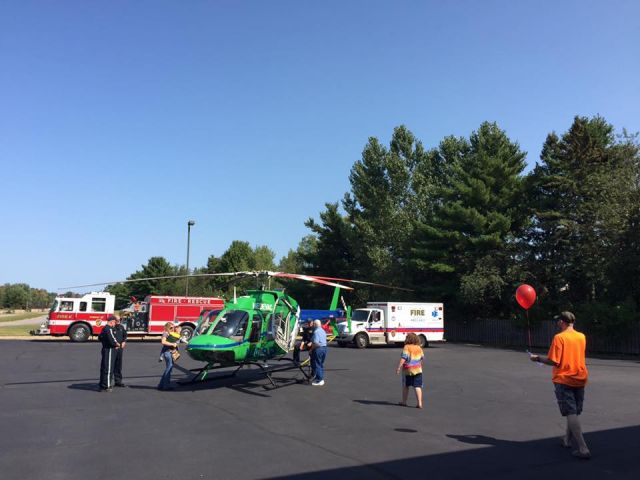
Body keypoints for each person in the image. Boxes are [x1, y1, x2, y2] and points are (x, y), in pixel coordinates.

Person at [529, 311, 591, 459]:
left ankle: (583, 448)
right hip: (580, 377)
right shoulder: (581, 336)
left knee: (570, 412)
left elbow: (554, 361)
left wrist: (537, 358)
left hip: (564, 379)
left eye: (558, 321)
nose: (557, 323)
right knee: (574, 411)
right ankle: (567, 439)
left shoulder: (559, 337)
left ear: (562, 322)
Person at [396, 332, 424, 408]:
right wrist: (419, 365)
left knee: (406, 386)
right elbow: (421, 358)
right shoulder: (419, 348)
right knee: (417, 386)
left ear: (408, 339)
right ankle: (419, 403)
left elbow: (404, 358)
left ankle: (404, 401)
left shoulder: (406, 347)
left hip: (407, 370)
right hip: (418, 370)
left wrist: (399, 367)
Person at [98, 315, 121, 392]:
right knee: (109, 368)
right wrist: (117, 344)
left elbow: (100, 337)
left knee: (104, 367)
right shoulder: (109, 329)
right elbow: (112, 340)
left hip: (105, 349)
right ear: (112, 322)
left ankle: (102, 383)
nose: (115, 324)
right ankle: (107, 385)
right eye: (115, 322)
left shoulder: (104, 328)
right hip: (110, 349)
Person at [158, 322, 178, 391]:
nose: (173, 329)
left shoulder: (171, 334)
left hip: (170, 352)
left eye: (173, 327)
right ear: (167, 327)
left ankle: (161, 385)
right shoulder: (165, 333)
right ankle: (165, 386)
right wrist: (172, 344)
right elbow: (163, 342)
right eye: (171, 328)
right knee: (169, 369)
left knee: (168, 368)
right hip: (168, 353)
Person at [309, 319, 327, 386]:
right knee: (320, 364)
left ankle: (320, 380)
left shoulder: (316, 332)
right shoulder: (323, 331)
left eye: (313, 324)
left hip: (318, 349)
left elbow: (316, 343)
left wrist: (311, 350)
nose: (313, 325)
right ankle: (319, 377)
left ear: (315, 325)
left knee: (317, 364)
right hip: (324, 348)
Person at [113, 315, 127, 387]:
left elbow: (125, 335)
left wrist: (124, 341)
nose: (118, 321)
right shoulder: (111, 328)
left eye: (119, 319)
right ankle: (108, 382)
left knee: (118, 365)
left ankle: (118, 381)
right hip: (113, 349)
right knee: (111, 365)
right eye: (117, 319)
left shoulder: (121, 327)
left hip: (120, 349)